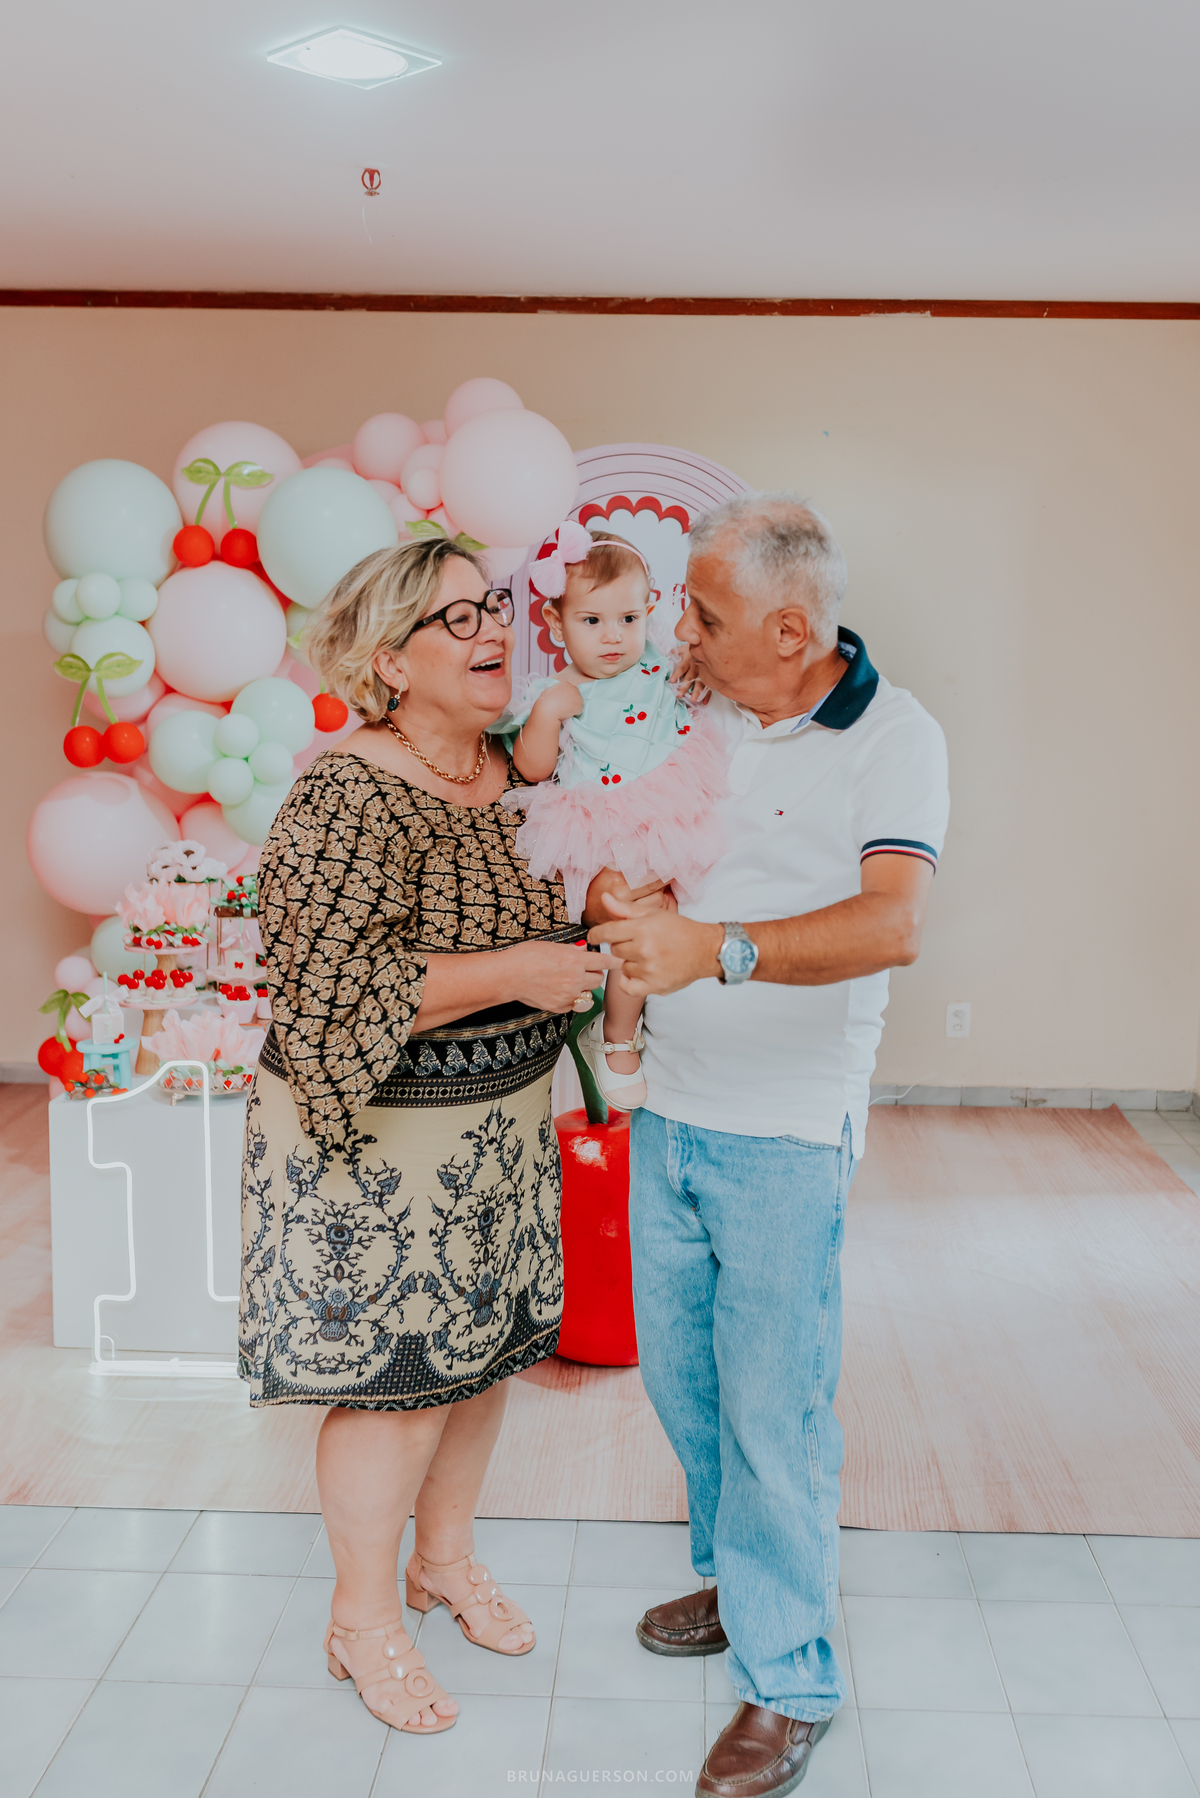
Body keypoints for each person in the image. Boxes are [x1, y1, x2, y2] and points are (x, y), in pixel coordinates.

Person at [587, 494, 950, 1798]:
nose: (681, 627)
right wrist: (632, 897)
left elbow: (893, 923)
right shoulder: (706, 716)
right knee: (683, 1386)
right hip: (673, 1109)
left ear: (792, 627)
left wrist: (716, 950)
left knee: (773, 1407)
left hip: (787, 1136)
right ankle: (742, 1582)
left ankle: (789, 1679)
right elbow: (661, 870)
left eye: (705, 609)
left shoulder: (894, 738)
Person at [238, 538, 617, 1736]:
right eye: (455, 618)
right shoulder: (347, 789)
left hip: (495, 1133)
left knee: (480, 1353)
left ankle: (441, 1562)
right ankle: (361, 1619)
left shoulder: (512, 772)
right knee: (393, 1386)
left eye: (493, 607)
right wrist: (521, 968)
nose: (491, 628)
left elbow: (552, 905)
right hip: (371, 1144)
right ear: (391, 660)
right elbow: (326, 989)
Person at [497, 522, 726, 1111]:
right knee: (634, 917)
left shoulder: (662, 667)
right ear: (555, 624)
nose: (613, 638)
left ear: (650, 611)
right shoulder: (558, 689)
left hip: (669, 810)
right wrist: (547, 715)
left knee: (679, 911)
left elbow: (704, 683)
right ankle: (619, 1034)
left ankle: (646, 1026)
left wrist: (697, 672)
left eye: (628, 619)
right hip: (600, 824)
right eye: (591, 621)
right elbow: (529, 767)